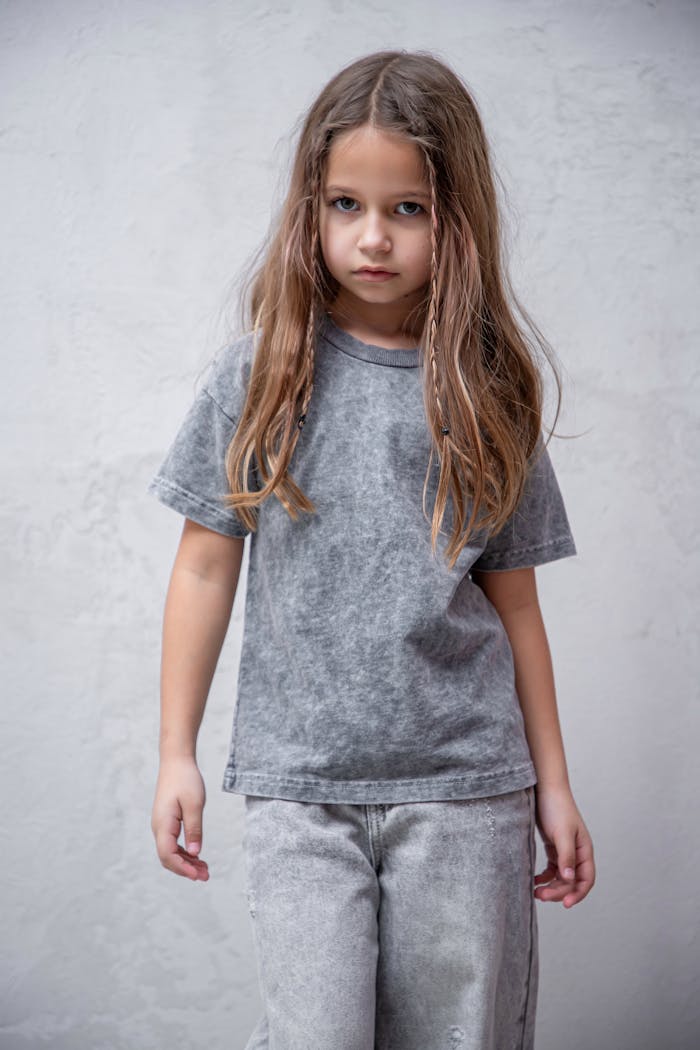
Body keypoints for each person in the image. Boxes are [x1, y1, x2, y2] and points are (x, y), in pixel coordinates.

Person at [148, 49, 595, 1050]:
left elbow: (516, 608)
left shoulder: (485, 392)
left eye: (409, 209)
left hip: (468, 792)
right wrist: (176, 753)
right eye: (346, 204)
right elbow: (204, 565)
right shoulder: (259, 378)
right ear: (310, 208)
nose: (373, 237)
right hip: (301, 790)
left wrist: (555, 787)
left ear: (457, 219)